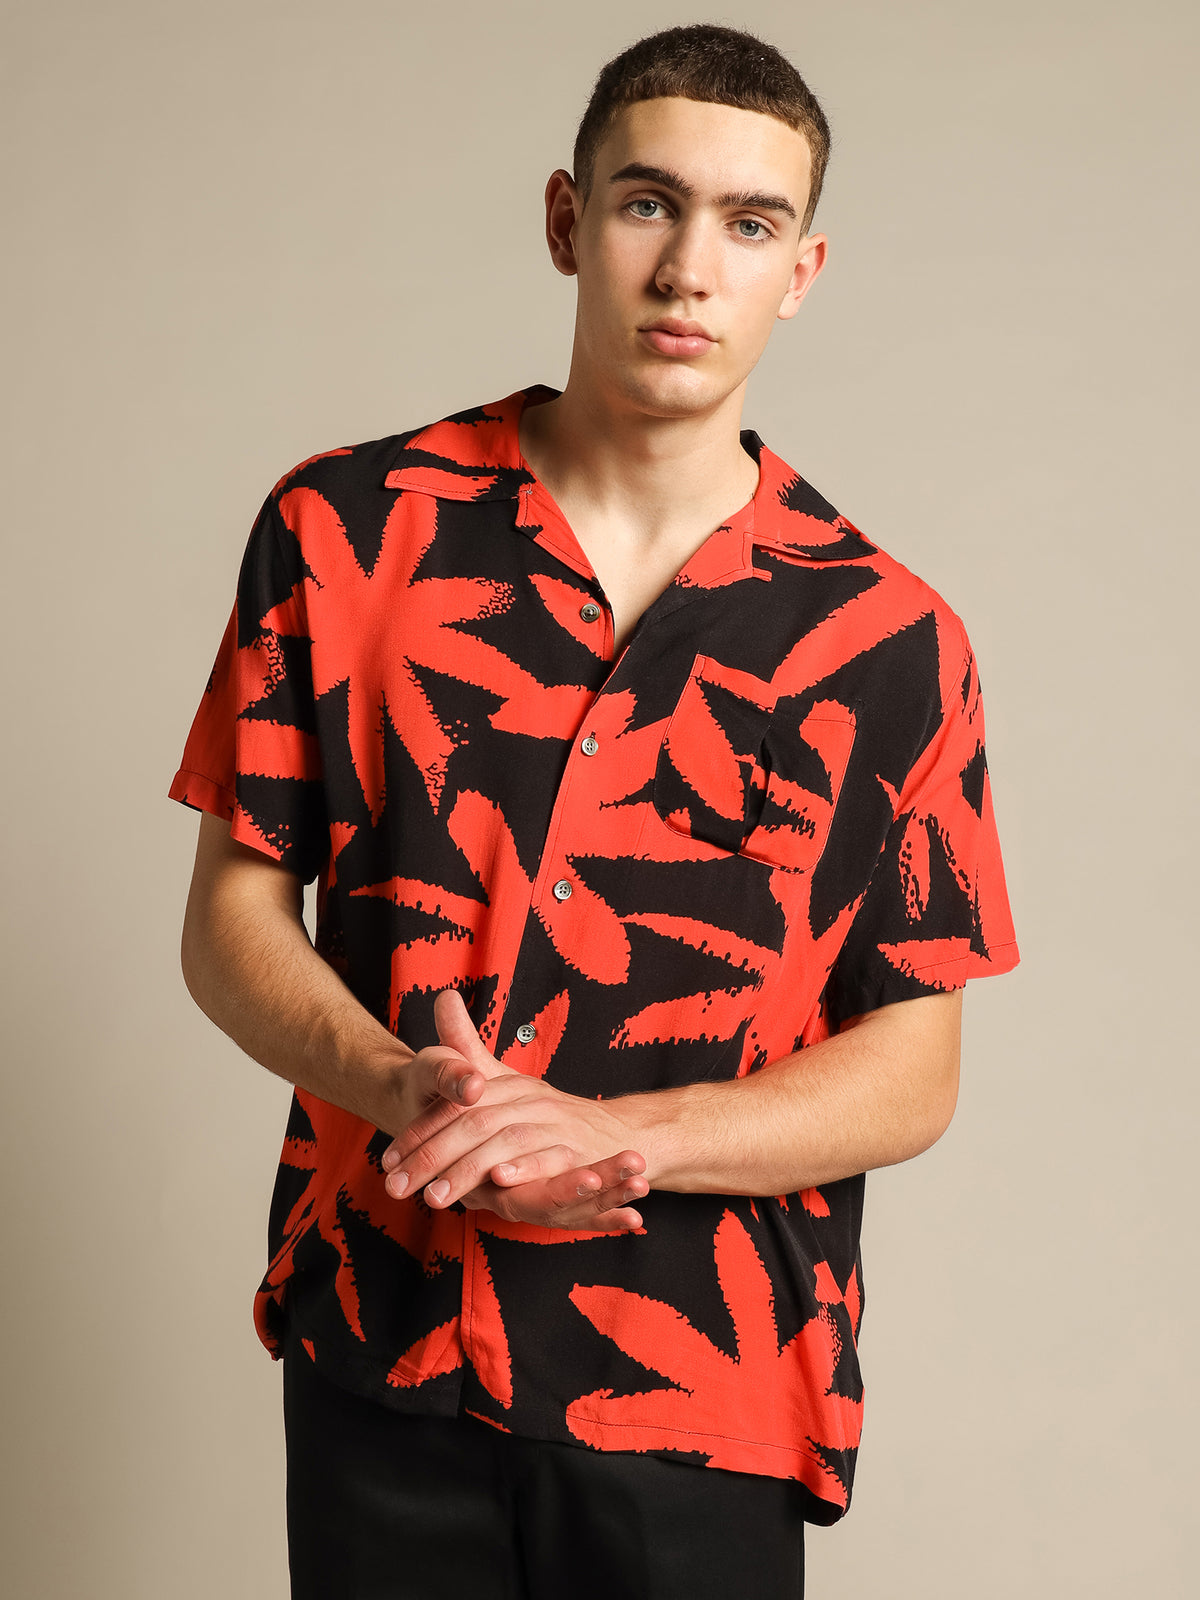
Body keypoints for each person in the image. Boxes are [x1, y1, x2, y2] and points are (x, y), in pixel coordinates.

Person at [171, 22, 1018, 1599]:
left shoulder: (895, 643)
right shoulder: (344, 529)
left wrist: (620, 1136)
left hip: (704, 1391)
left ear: (802, 271)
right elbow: (232, 918)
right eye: (649, 204)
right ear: (567, 220)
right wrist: (406, 1089)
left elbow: (914, 1069)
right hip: (385, 1340)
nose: (690, 268)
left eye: (749, 224)